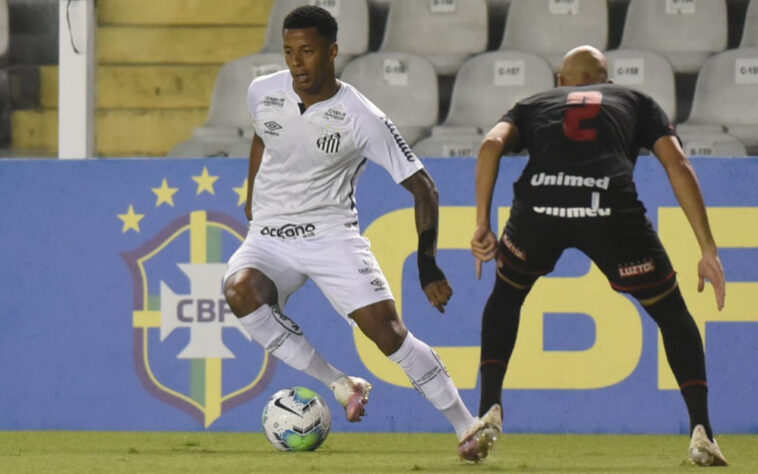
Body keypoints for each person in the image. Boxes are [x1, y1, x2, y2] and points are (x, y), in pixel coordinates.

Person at [223, 6, 500, 462]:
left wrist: (427, 264)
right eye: (289, 52)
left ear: (332, 51)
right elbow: (262, 137)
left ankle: (467, 428)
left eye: (307, 52)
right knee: (239, 291)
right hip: (269, 236)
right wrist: (253, 195)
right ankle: (340, 383)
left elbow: (424, 187)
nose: (296, 63)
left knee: (388, 334)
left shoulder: (360, 116)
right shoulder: (262, 92)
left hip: (331, 235)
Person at [471, 45, 728, 466]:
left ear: (560, 82)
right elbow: (677, 164)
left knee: (507, 294)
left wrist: (482, 223)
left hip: (540, 208)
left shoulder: (533, 103)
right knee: (671, 312)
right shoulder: (636, 100)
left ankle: (488, 411)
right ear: (608, 84)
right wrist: (707, 248)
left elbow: (488, 146)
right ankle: (702, 432)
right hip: (610, 208)